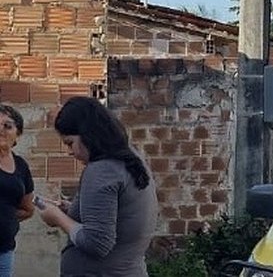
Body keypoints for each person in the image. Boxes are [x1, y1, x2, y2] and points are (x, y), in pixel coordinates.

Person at [38, 97, 158, 276]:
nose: (69, 152)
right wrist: (72, 209)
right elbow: (116, 216)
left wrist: (57, 218)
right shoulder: (129, 158)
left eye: (70, 143)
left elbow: (97, 243)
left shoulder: (102, 170)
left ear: (88, 134)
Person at [0, 105, 34, 277]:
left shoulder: (21, 165)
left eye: (7, 126)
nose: (1, 130)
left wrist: (6, 218)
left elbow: (28, 210)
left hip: (4, 250)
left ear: (17, 134)